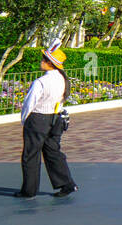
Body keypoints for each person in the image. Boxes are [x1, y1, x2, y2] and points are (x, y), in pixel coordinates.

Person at [17, 47, 78, 198]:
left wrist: (24, 120)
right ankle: (67, 184)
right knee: (53, 152)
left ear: (50, 63)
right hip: (56, 118)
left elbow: (29, 104)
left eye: (44, 60)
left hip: (38, 119)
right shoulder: (63, 79)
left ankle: (29, 191)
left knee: (31, 155)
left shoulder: (41, 82)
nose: (41, 62)